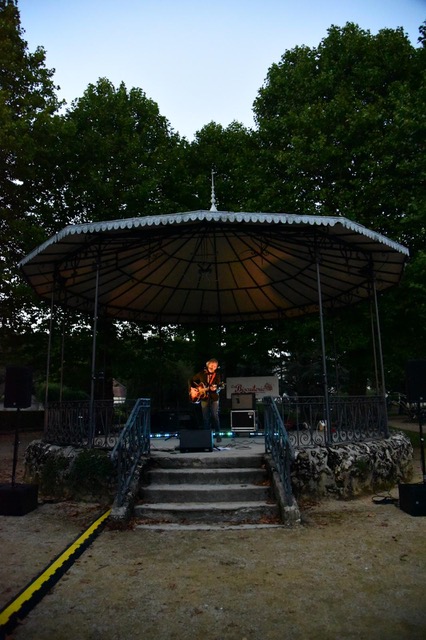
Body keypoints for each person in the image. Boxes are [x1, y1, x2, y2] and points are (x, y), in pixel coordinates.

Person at [189, 358, 224, 437]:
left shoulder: (217, 375)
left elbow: (219, 386)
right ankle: (207, 436)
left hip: (214, 397)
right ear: (208, 365)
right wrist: (192, 389)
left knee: (215, 415)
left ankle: (218, 434)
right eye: (212, 365)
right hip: (204, 398)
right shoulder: (201, 373)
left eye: (215, 366)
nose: (213, 367)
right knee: (205, 417)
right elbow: (191, 380)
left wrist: (216, 389)